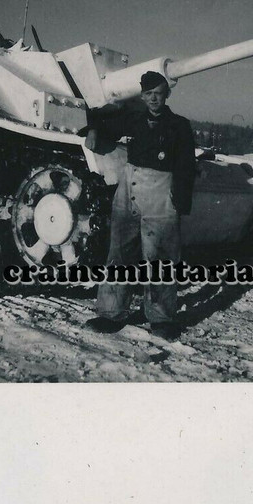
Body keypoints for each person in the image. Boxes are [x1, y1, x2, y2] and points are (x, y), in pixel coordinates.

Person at [85, 71, 196, 341]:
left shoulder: (179, 125)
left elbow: (185, 165)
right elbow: (102, 120)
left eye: (158, 93)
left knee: (160, 258)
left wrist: (180, 201)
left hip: (161, 193)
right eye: (148, 94)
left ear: (167, 94)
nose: (153, 98)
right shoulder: (133, 120)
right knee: (120, 253)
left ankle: (161, 318)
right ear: (142, 95)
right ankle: (110, 313)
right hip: (128, 189)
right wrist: (92, 129)